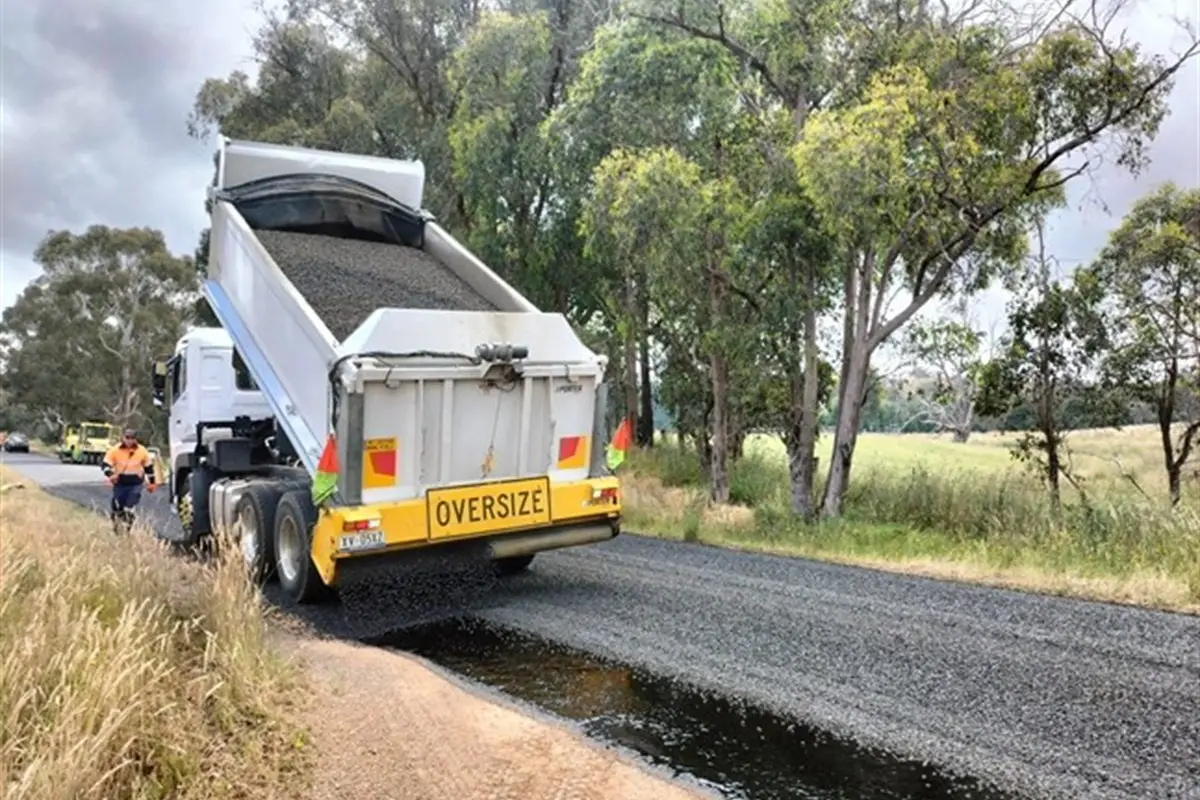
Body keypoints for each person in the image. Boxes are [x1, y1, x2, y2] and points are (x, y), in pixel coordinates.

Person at [102, 428, 157, 529]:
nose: (129, 441)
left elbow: (149, 468)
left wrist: (152, 483)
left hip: (135, 483)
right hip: (120, 482)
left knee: (130, 504)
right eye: (127, 438)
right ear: (123, 438)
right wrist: (110, 475)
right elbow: (105, 465)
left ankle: (128, 526)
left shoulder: (142, 451)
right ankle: (117, 524)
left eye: (132, 438)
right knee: (118, 506)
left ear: (135, 439)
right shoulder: (115, 450)